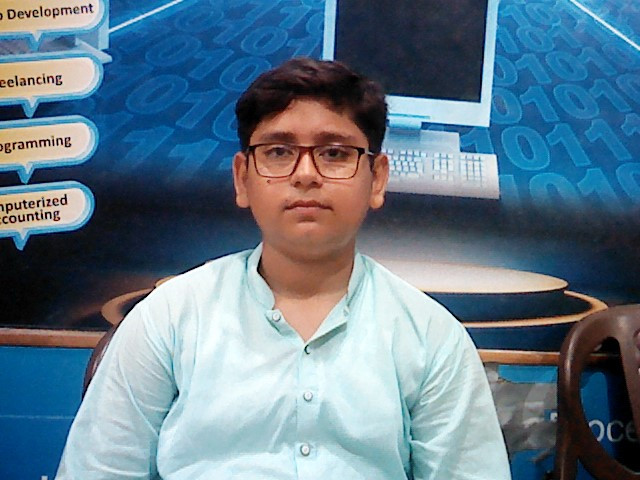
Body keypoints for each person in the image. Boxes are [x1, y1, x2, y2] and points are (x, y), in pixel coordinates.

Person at [56, 57, 511, 479]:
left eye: (335, 153)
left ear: (377, 179)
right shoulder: (169, 318)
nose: (305, 174)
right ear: (242, 178)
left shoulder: (431, 337)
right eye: (278, 152)